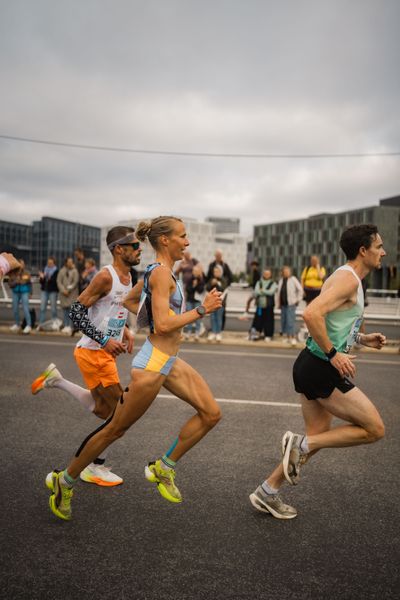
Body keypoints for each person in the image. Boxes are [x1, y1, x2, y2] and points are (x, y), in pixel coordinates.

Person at [46, 215, 222, 521]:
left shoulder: (159, 271)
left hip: (169, 360)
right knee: (115, 428)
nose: (188, 241)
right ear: (165, 240)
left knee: (211, 414)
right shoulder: (159, 274)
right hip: (152, 364)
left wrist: (145, 321)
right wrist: (201, 309)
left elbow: (130, 301)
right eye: (183, 236)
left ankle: (163, 468)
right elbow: (165, 324)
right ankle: (65, 480)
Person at [249, 224, 386, 520]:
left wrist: (362, 339)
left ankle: (267, 491)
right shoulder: (348, 281)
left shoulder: (344, 277)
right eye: (379, 246)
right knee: (374, 429)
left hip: (311, 364)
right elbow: (311, 314)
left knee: (318, 437)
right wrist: (334, 355)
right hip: (320, 368)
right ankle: (298, 444)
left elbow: (332, 323)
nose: (383, 252)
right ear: (363, 251)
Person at [32, 226, 139, 487]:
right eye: (134, 245)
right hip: (93, 352)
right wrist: (104, 340)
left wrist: (124, 330)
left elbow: (109, 311)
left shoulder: (130, 276)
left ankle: (56, 380)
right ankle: (93, 467)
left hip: (100, 353)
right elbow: (77, 313)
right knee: (119, 414)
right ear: (118, 249)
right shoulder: (105, 276)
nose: (139, 249)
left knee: (104, 409)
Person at [275, 266, 303, 346]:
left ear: (290, 272)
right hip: (283, 304)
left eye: (288, 271)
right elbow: (278, 293)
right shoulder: (281, 280)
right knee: (284, 321)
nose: (286, 273)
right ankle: (288, 337)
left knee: (290, 321)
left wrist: (298, 300)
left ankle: (293, 338)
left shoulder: (293, 279)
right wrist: (278, 303)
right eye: (285, 271)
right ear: (282, 272)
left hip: (291, 304)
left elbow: (300, 290)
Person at [206, 249, 233, 331]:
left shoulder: (225, 265)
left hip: (223, 291)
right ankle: (214, 328)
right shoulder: (212, 265)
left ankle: (220, 328)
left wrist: (223, 283)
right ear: (215, 256)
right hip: (213, 289)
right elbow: (208, 277)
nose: (218, 257)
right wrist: (211, 283)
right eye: (217, 256)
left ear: (221, 256)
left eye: (219, 256)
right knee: (212, 310)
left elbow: (231, 277)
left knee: (222, 309)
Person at [250, 269, 277, 342]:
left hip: (269, 305)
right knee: (258, 320)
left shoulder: (273, 283)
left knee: (269, 321)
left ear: (270, 275)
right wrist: (265, 292)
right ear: (263, 274)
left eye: (268, 274)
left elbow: (271, 292)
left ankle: (268, 335)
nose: (266, 275)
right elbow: (256, 291)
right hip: (260, 305)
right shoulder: (259, 282)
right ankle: (256, 334)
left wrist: (262, 291)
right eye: (265, 273)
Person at [8, 259, 33, 334]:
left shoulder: (27, 273)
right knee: (15, 309)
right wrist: (16, 281)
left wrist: (30, 293)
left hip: (24, 292)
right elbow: (10, 283)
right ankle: (17, 324)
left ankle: (29, 325)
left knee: (25, 308)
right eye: (20, 264)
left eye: (22, 264)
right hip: (15, 292)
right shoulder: (13, 273)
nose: (21, 265)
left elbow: (29, 283)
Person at [57, 257, 79, 335]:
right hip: (64, 294)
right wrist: (63, 290)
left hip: (72, 294)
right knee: (65, 310)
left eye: (71, 261)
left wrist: (69, 289)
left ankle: (70, 326)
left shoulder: (74, 270)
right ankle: (66, 325)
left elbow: (75, 281)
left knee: (71, 310)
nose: (70, 263)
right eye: (69, 262)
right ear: (66, 262)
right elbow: (59, 281)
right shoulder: (62, 271)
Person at [183, 263, 205, 341]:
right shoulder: (190, 279)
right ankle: (188, 332)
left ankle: (197, 333)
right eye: (194, 271)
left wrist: (197, 285)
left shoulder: (201, 280)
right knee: (189, 317)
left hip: (197, 301)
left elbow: (201, 290)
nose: (195, 272)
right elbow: (188, 290)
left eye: (197, 271)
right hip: (190, 300)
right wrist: (193, 286)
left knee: (198, 317)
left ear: (199, 272)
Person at [37, 256, 59, 330]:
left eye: (51, 263)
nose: (49, 264)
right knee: (42, 308)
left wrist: (47, 278)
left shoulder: (56, 271)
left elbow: (55, 282)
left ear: (54, 263)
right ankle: (41, 324)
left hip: (53, 291)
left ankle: (54, 324)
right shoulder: (45, 269)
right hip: (44, 290)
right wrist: (42, 278)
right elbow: (41, 282)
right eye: (48, 262)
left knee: (53, 308)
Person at [206, 265, 226, 342]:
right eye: (214, 271)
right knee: (212, 318)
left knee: (219, 318)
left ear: (220, 272)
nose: (215, 273)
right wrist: (211, 283)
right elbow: (207, 288)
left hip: (220, 302)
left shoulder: (223, 280)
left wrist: (217, 283)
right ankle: (213, 332)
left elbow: (223, 289)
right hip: (212, 302)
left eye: (217, 271)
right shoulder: (211, 279)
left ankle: (218, 333)